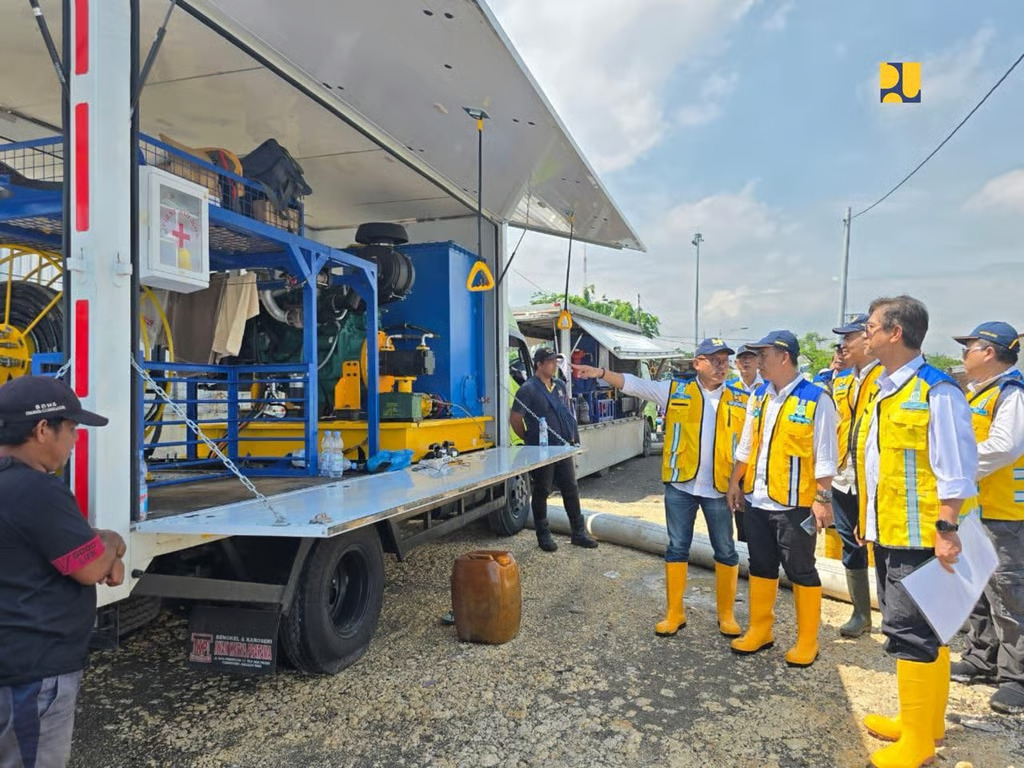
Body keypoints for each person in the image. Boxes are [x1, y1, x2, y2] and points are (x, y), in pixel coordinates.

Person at [857, 296, 978, 768]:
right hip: (890, 528)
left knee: (911, 631)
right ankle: (924, 723)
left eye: (871, 327)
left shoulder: (937, 390)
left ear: (896, 333)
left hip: (921, 535)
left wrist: (947, 527)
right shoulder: (886, 387)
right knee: (928, 629)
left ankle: (918, 743)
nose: (865, 334)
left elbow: (957, 468)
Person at [573, 338, 748, 637]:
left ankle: (727, 615)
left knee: (726, 550)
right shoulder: (674, 391)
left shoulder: (742, 399)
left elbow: (748, 446)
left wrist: (739, 483)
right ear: (697, 364)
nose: (722, 366)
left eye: (725, 360)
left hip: (720, 488)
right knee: (677, 547)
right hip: (681, 484)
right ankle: (674, 612)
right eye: (714, 360)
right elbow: (633, 383)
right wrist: (601, 373)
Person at [0, 375, 124, 768]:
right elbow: (89, 566)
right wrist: (112, 543)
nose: (74, 441)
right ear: (41, 429)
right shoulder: (36, 490)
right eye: (70, 429)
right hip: (32, 674)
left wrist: (98, 545)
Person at [726, 330, 837, 668]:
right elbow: (747, 444)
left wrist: (823, 499)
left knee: (801, 569)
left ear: (784, 357)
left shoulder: (816, 399)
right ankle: (761, 629)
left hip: (795, 504)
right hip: (758, 499)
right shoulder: (759, 396)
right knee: (760, 566)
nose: (757, 362)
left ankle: (807, 640)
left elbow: (826, 456)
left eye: (764, 355)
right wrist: (735, 482)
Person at [949, 321, 1024, 715]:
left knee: (1009, 595)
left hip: (1005, 512)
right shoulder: (981, 393)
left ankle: (1016, 678)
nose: (965, 355)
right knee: (979, 588)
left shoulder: (1011, 394)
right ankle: (982, 658)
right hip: (979, 508)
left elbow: (1005, 447)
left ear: (990, 352)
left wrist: (956, 467)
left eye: (970, 348)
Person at [510, 348, 597, 551]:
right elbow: (515, 419)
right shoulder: (528, 389)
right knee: (542, 490)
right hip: (542, 451)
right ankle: (543, 534)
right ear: (539, 364)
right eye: (550, 362)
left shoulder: (559, 386)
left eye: (556, 362)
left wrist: (572, 437)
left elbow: (566, 413)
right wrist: (528, 439)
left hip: (562, 446)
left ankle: (578, 532)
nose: (554, 365)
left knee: (571, 488)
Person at [829, 314, 882, 639]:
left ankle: (895, 617)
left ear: (867, 339)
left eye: (848, 338)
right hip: (843, 476)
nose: (842, 345)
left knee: (886, 548)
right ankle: (862, 613)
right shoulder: (843, 381)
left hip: (872, 479)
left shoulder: (887, 378)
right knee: (851, 545)